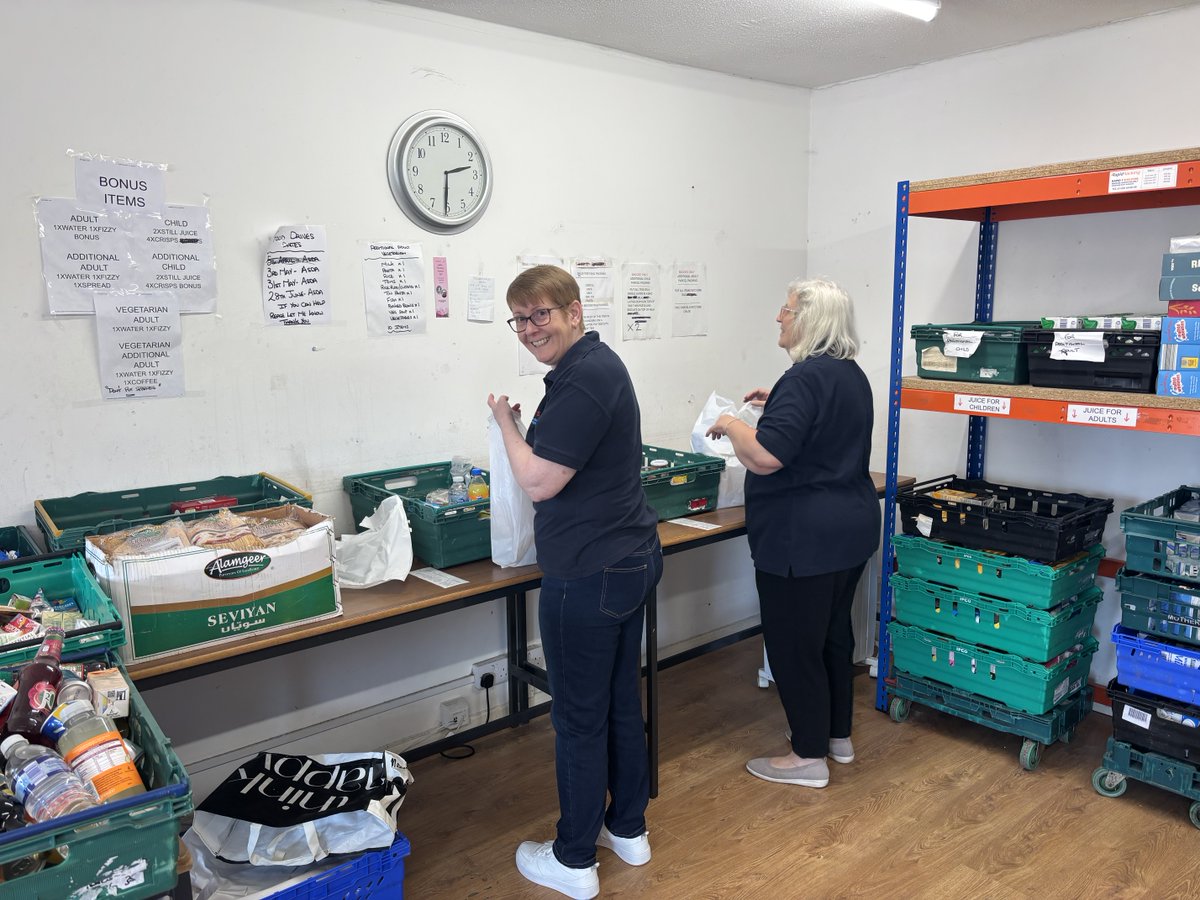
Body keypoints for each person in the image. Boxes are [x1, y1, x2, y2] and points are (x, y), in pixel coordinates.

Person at [488, 265, 663, 900]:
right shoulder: (591, 370)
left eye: (543, 314)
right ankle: (628, 828)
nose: (532, 328)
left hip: (590, 574)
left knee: (580, 719)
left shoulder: (585, 380)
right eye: (521, 318)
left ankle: (573, 859)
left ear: (575, 311)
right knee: (618, 700)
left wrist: (504, 420)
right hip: (628, 558)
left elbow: (538, 481)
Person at [706, 277, 879, 789]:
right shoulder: (849, 375)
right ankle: (835, 738)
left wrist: (732, 424)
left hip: (802, 540)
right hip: (848, 532)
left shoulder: (803, 380)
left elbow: (765, 457)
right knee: (831, 635)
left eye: (785, 310)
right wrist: (774, 403)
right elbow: (816, 432)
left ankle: (807, 757)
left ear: (809, 320)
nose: (778, 318)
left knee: (791, 646)